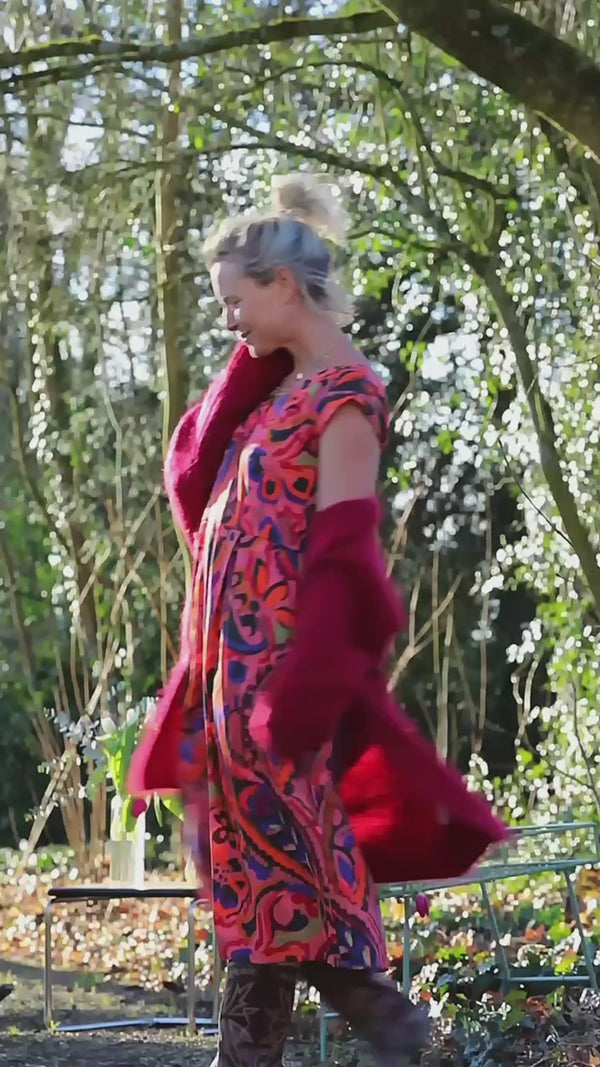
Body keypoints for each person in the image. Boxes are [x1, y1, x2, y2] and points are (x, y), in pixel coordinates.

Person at [129, 174, 507, 1066]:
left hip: (283, 689)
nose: (228, 322)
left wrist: (304, 689)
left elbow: (345, 554)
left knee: (296, 880)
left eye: (236, 302)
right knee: (254, 891)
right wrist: (255, 360)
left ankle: (396, 1027)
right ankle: (270, 1050)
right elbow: (195, 479)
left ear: (284, 286)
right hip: (229, 685)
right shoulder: (276, 395)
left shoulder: (346, 397)